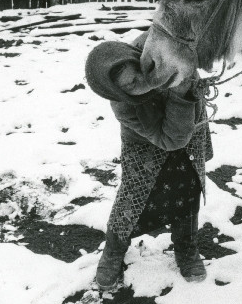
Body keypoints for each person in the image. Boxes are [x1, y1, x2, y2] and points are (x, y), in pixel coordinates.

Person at [84, 31, 213, 290]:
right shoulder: (124, 107)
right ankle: (114, 250)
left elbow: (194, 41)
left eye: (139, 73)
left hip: (189, 125)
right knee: (134, 194)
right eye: (131, 86)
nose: (144, 82)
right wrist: (179, 92)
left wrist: (191, 71)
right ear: (119, 92)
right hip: (147, 142)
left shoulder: (156, 47)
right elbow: (170, 139)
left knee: (187, 185)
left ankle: (186, 248)